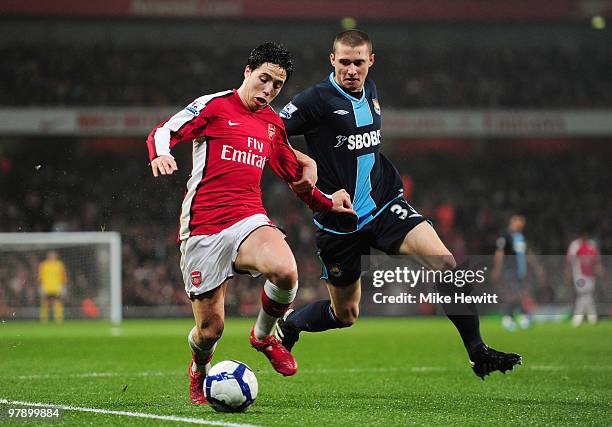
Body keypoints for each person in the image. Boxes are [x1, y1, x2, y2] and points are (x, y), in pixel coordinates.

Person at [276, 29, 521, 379]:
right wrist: (307, 168)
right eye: (344, 62)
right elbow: (269, 133)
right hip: (338, 221)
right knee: (344, 315)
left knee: (446, 263)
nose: (351, 70)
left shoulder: (371, 91)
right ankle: (292, 325)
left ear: (370, 62)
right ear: (332, 60)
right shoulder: (313, 100)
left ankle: (476, 351)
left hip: (384, 205)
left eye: (358, 63)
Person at [145, 42, 354, 405]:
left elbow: (295, 178)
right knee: (211, 330)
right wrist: (161, 153)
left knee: (286, 270)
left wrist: (327, 202)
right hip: (203, 228)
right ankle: (199, 367)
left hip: (248, 218)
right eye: (264, 79)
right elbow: (165, 130)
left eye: (277, 85)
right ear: (247, 72)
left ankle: (262, 336)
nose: (269, 90)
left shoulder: (272, 123)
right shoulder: (214, 106)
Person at [492, 214, 543, 330]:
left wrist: (537, 266)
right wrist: (497, 268)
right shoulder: (505, 236)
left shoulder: (520, 237)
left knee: (520, 294)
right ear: (513, 222)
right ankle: (510, 318)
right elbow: (499, 253)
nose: (521, 225)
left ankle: (515, 317)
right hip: (510, 269)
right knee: (514, 294)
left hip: (521, 271)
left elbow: (527, 253)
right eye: (520, 222)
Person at [566, 231, 604, 327]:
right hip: (579, 275)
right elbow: (570, 260)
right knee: (584, 294)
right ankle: (589, 318)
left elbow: (596, 260)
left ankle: (584, 319)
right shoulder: (575, 245)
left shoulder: (592, 245)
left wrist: (600, 270)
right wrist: (568, 273)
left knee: (587, 296)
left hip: (590, 275)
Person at [38, 250, 67, 323]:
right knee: (45, 303)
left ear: (56, 256)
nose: (52, 256)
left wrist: (64, 284)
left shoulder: (59, 264)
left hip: (56, 286)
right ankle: (44, 319)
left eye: (53, 255)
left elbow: (63, 276)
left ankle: (58, 319)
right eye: (50, 255)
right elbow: (40, 276)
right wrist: (40, 284)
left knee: (57, 302)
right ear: (47, 256)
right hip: (46, 286)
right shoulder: (43, 265)